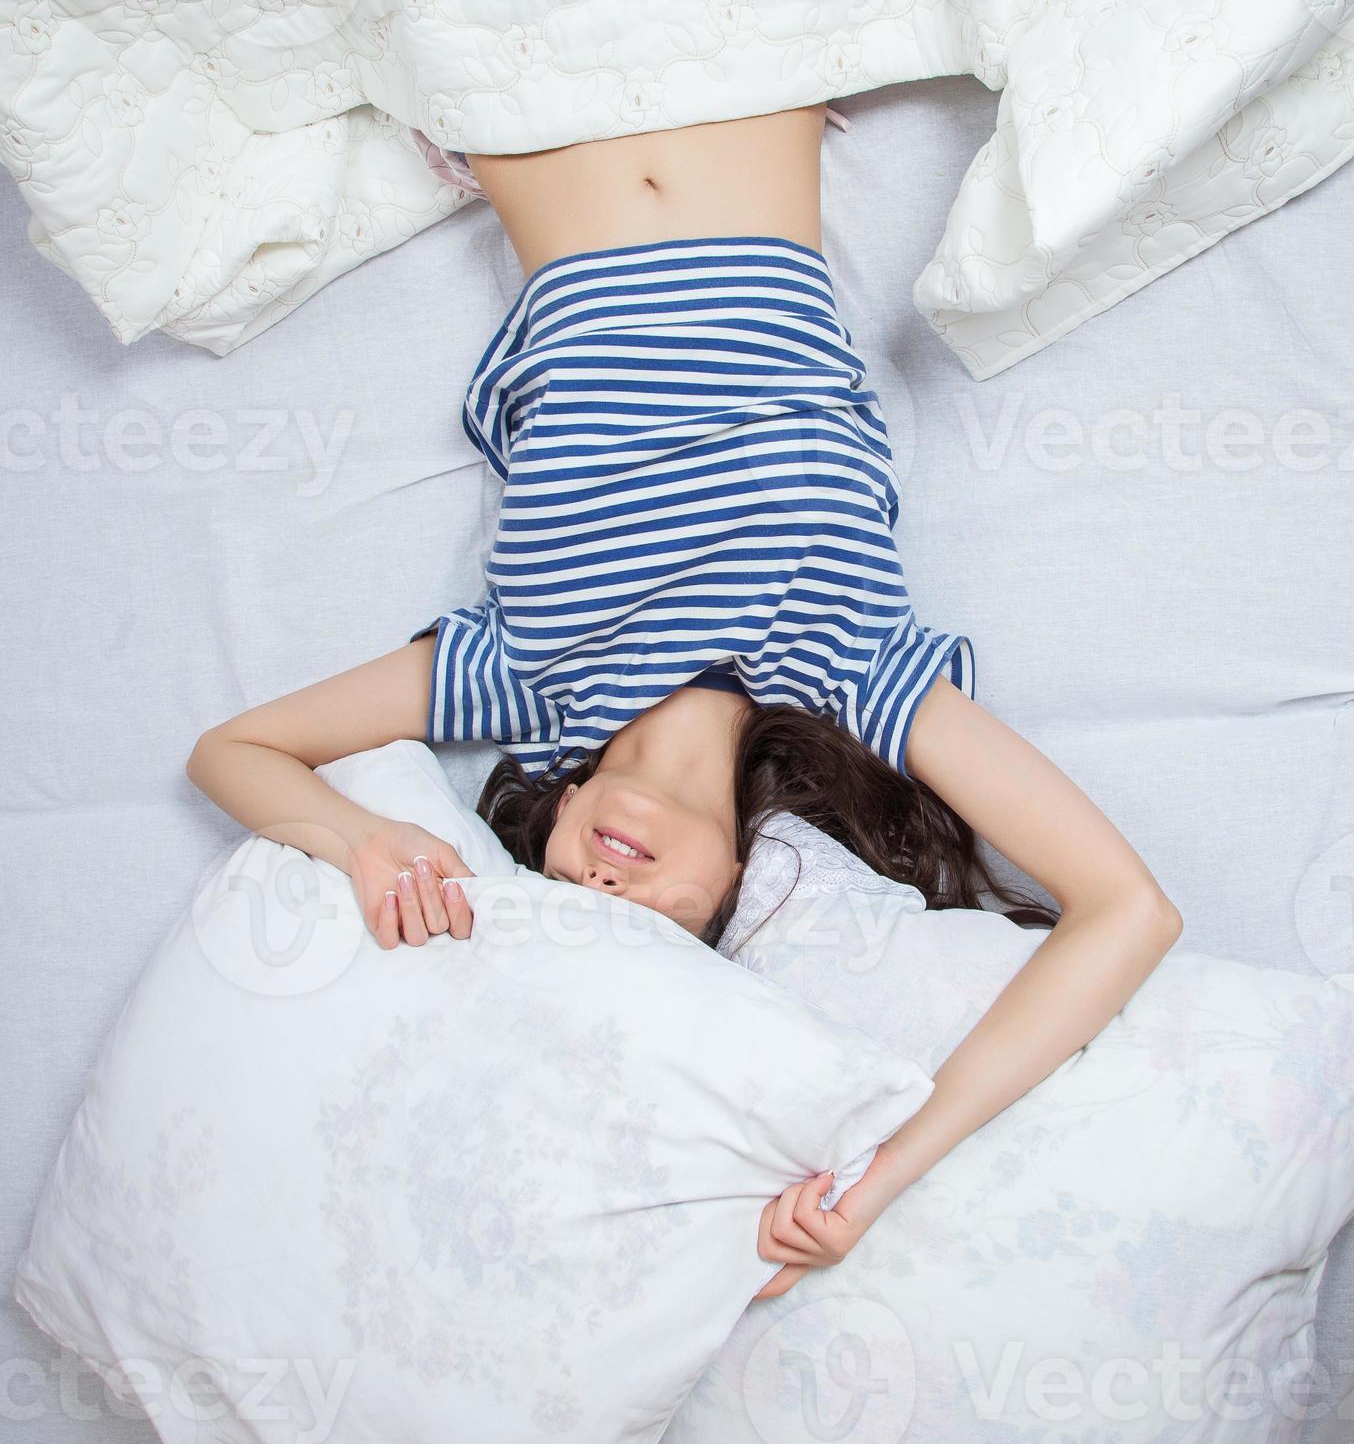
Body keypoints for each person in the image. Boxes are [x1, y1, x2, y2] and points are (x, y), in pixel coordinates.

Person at [187, 100, 1181, 1296]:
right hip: (744, 70)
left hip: (522, 80)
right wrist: (872, 1184)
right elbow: (1127, 909)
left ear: (553, 818)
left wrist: (362, 841)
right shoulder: (850, 673)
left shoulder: (524, 675)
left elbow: (233, 749)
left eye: (574, 899)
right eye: (650, 926)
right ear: (738, 884)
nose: (606, 891)